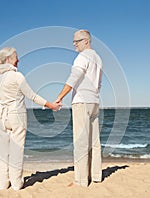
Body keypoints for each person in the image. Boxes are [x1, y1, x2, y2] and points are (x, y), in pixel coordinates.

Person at [0, 47, 61, 190]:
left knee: (2, 151)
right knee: (17, 150)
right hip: (16, 116)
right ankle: (16, 184)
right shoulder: (17, 76)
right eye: (16, 57)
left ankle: (1, 184)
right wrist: (51, 105)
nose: (18, 59)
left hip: (1, 118)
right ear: (9, 59)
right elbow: (32, 96)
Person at [55, 29, 103, 187]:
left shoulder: (82, 57)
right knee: (94, 142)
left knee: (81, 142)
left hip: (82, 102)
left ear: (86, 41)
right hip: (94, 102)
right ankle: (96, 176)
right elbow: (99, 84)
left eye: (77, 41)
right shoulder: (98, 58)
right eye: (74, 41)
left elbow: (73, 78)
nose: (74, 44)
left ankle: (81, 181)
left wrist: (60, 97)